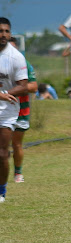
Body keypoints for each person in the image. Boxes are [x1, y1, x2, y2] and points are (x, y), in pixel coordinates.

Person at [0, 17, 28, 203]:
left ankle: (1, 191)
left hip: (6, 112)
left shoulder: (15, 56)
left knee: (2, 152)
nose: (3, 35)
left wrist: (4, 94)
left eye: (6, 31)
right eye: (0, 31)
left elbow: (24, 85)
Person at [12, 58, 38, 183]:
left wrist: (15, 88)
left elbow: (34, 86)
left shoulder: (23, 63)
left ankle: (18, 172)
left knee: (17, 144)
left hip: (21, 111)